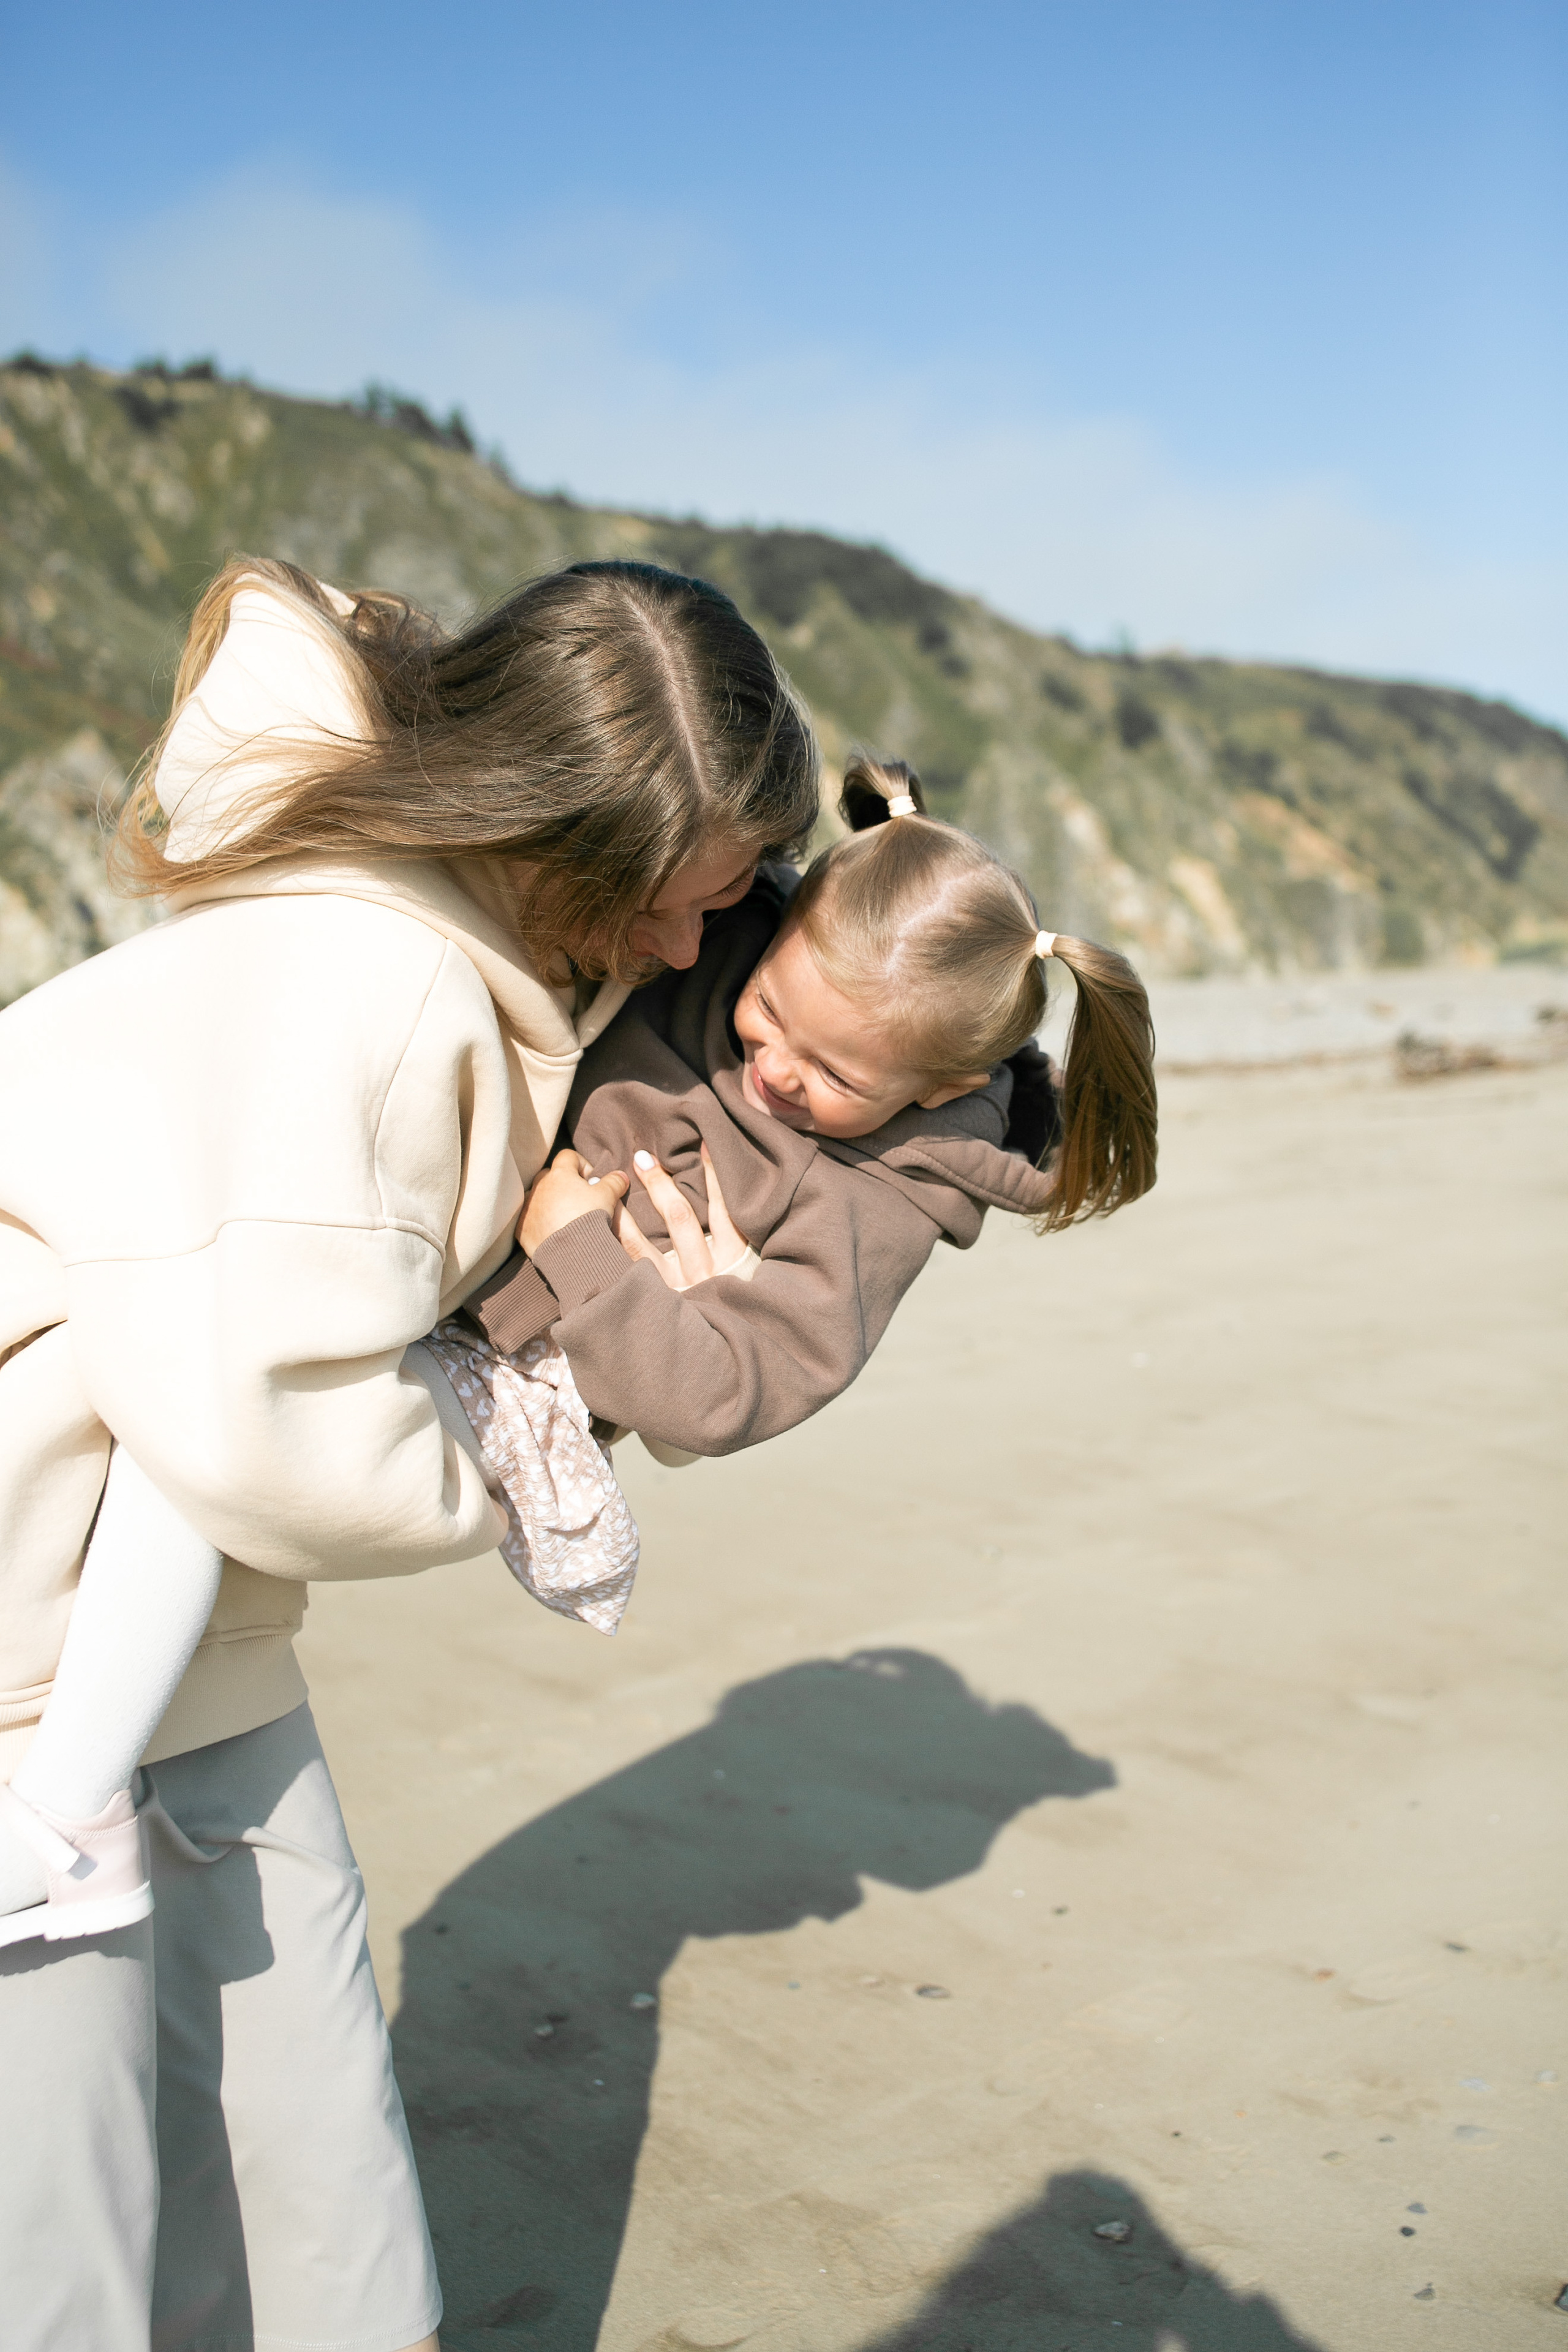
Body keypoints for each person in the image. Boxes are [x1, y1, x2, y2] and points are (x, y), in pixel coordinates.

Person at [0, 554, 818, 2352]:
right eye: (689, 895)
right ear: (574, 849)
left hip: (143, 1586)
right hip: (35, 1613)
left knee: (285, 2139)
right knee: (75, 2203)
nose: (700, 939)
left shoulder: (435, 935)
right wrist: (553, 1431)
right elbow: (265, 1422)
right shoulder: (382, 988)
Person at [467, 754, 1157, 1455]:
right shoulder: (723, 929)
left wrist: (579, 1253)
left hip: (511, 1359)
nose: (775, 1068)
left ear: (942, 1090)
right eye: (768, 1006)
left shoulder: (881, 1200)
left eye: (835, 1075)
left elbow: (723, 1399)